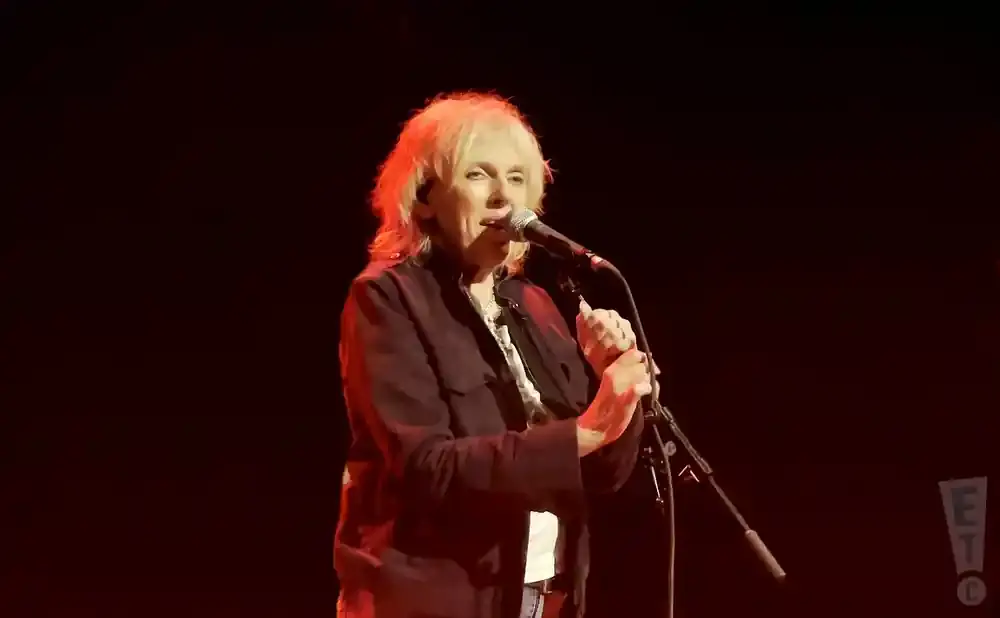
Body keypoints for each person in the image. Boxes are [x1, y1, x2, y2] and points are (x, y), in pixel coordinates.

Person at [334, 91, 653, 618]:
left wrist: (614, 388)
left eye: (517, 179)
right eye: (479, 175)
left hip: (537, 599)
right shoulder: (387, 298)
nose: (504, 198)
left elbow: (601, 475)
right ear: (425, 196)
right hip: (430, 601)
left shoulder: (537, 305)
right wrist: (587, 430)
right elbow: (427, 469)